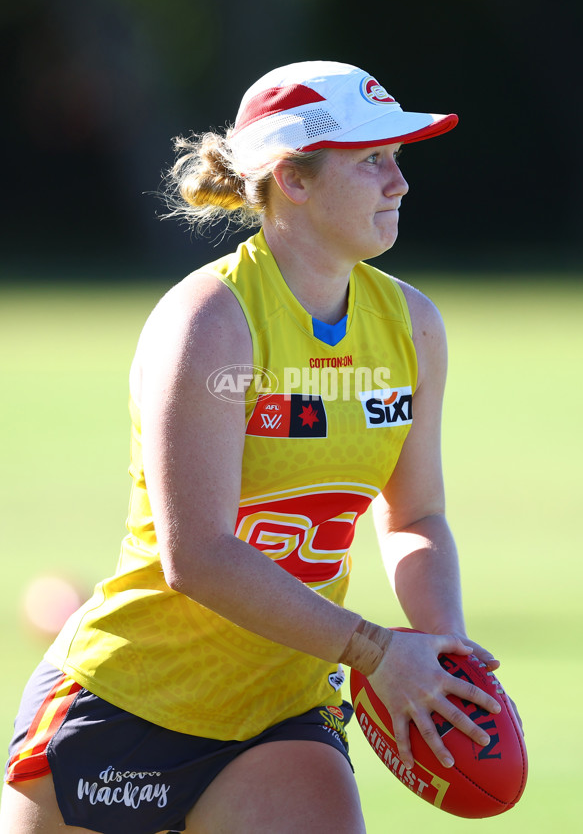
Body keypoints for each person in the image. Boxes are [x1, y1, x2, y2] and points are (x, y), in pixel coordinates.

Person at [1, 60, 504, 834]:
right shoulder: (210, 321)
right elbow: (196, 554)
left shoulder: (414, 326)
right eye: (372, 160)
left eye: (398, 158)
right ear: (291, 181)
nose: (398, 182)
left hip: (283, 711)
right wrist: (375, 652)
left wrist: (440, 650)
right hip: (130, 699)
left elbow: (417, 515)